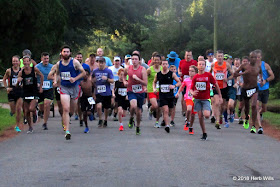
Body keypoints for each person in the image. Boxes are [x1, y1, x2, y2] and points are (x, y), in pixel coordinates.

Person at [48, 45, 86, 140]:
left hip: (74, 88)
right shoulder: (58, 64)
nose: (66, 53)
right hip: (64, 88)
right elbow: (54, 74)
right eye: (64, 51)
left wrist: (75, 78)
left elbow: (83, 73)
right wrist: (55, 81)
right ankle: (67, 131)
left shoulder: (75, 62)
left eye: (67, 52)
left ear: (70, 53)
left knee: (71, 111)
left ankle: (65, 119)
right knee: (66, 108)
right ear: (61, 53)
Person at [190, 60, 222, 140]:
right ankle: (204, 133)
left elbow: (216, 85)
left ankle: (209, 110)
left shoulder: (208, 75)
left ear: (205, 66)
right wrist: (193, 92)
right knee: (200, 116)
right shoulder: (195, 77)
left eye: (203, 64)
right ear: (197, 66)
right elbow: (191, 89)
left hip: (206, 99)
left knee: (207, 115)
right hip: (197, 99)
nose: (201, 66)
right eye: (199, 64)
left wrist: (220, 96)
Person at [233, 51, 263, 134]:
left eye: (255, 57)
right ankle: (246, 117)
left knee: (254, 105)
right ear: (250, 58)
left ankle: (253, 126)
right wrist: (243, 73)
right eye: (252, 57)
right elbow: (235, 74)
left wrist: (261, 80)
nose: (254, 59)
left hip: (254, 89)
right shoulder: (244, 66)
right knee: (246, 107)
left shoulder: (258, 67)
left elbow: (260, 75)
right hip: (245, 89)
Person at [17, 56, 44, 133]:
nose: (26, 63)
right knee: (26, 112)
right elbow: (17, 83)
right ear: (23, 63)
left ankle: (35, 112)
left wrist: (41, 86)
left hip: (34, 91)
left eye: (27, 61)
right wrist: (19, 82)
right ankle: (30, 127)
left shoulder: (34, 69)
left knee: (31, 108)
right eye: (24, 61)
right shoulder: (21, 72)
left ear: (30, 62)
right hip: (25, 92)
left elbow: (41, 75)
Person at [153, 60, 181, 133]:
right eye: (163, 64)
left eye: (166, 64)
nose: (165, 65)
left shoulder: (172, 74)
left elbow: (179, 82)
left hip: (170, 95)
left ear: (168, 65)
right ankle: (167, 125)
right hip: (162, 95)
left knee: (170, 110)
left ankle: (168, 120)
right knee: (165, 110)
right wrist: (154, 88)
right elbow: (154, 82)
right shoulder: (158, 74)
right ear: (161, 65)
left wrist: (174, 86)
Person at [124, 53, 148, 135]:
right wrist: (124, 81)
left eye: (136, 59)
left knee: (138, 113)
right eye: (132, 59)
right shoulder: (128, 68)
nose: (134, 61)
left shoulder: (143, 69)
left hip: (140, 92)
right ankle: (131, 118)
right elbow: (124, 75)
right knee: (133, 106)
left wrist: (138, 79)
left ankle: (137, 126)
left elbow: (145, 83)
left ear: (139, 61)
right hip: (131, 91)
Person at [211, 50, 233, 129]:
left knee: (223, 106)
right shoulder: (213, 64)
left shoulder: (226, 64)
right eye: (218, 56)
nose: (220, 58)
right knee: (217, 103)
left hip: (224, 87)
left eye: (221, 56)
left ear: (223, 57)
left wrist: (227, 78)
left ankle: (220, 115)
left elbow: (233, 74)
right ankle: (217, 121)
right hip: (216, 87)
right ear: (216, 57)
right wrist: (211, 79)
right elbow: (210, 73)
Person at [3, 55, 24, 132]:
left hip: (20, 91)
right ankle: (11, 112)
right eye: (13, 61)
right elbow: (4, 79)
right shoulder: (9, 71)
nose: (15, 62)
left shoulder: (22, 70)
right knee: (13, 111)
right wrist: (6, 88)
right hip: (11, 92)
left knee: (18, 109)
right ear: (12, 62)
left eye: (16, 61)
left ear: (19, 62)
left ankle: (17, 125)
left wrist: (23, 84)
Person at [92, 56, 114, 128]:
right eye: (99, 63)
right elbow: (91, 80)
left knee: (106, 108)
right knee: (98, 106)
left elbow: (112, 81)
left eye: (102, 63)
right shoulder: (95, 71)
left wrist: (107, 79)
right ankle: (100, 119)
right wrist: (93, 82)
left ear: (104, 63)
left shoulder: (108, 71)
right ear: (97, 63)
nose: (100, 64)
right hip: (98, 92)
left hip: (107, 92)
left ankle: (105, 120)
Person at [175, 65, 198, 134]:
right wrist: (178, 93)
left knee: (193, 115)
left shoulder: (198, 79)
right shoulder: (186, 80)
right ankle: (187, 121)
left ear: (196, 72)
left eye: (192, 71)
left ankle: (190, 127)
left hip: (196, 98)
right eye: (189, 71)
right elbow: (182, 87)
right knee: (188, 109)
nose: (190, 73)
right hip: (188, 97)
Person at [36, 52, 53, 130]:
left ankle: (45, 123)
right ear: (41, 59)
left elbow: (56, 75)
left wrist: (55, 81)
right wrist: (37, 83)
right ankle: (40, 111)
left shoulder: (52, 67)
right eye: (44, 58)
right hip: (40, 89)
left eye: (47, 58)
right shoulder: (37, 67)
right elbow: (34, 77)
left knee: (47, 104)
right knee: (42, 107)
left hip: (49, 88)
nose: (46, 60)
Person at [255, 49, 274, 120]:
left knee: (264, 108)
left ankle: (260, 113)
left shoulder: (265, 65)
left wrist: (265, 80)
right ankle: (257, 119)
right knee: (256, 105)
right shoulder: (252, 66)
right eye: (256, 57)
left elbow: (272, 76)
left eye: (258, 57)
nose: (257, 59)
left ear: (261, 57)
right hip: (256, 89)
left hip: (265, 88)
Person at [178, 50, 197, 117]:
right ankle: (184, 110)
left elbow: (197, 70)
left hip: (193, 82)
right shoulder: (182, 61)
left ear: (191, 56)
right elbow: (179, 68)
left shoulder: (194, 62)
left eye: (189, 55)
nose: (188, 56)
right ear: (185, 55)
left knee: (192, 96)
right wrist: (179, 72)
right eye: (187, 55)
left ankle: (192, 109)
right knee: (184, 96)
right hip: (185, 81)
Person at [147, 54, 162, 128]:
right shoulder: (149, 69)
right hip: (151, 89)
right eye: (155, 60)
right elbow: (145, 78)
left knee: (159, 107)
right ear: (152, 60)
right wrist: (145, 87)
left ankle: (157, 122)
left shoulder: (162, 69)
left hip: (161, 90)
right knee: (155, 105)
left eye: (158, 60)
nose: (156, 61)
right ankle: (150, 110)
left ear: (160, 61)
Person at [109, 56, 123, 121]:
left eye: (118, 61)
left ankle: (115, 114)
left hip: (119, 86)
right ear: (113, 62)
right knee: (112, 102)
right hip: (111, 86)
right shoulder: (110, 69)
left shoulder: (122, 69)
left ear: (120, 62)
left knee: (117, 102)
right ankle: (111, 108)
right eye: (116, 61)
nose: (117, 62)